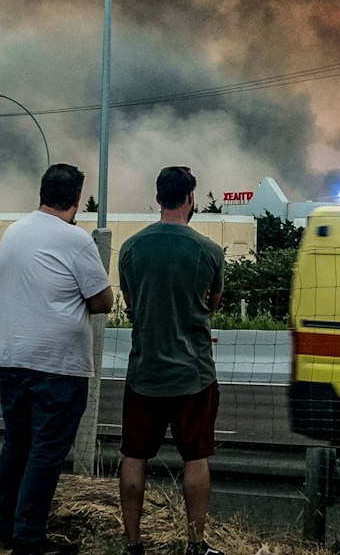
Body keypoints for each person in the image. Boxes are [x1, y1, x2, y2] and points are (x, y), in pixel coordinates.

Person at [0, 163, 114, 555]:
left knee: (17, 445)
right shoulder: (76, 241)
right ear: (77, 201)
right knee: (46, 451)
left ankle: (4, 525)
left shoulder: (13, 232)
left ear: (41, 192)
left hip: (10, 357)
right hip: (55, 364)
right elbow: (103, 301)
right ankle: (29, 537)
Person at [118, 166, 227, 555]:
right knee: (196, 458)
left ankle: (133, 544)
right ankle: (196, 544)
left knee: (134, 456)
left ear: (159, 196)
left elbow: (130, 305)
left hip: (143, 371)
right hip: (193, 374)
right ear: (190, 198)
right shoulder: (209, 251)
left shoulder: (131, 248)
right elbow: (210, 305)